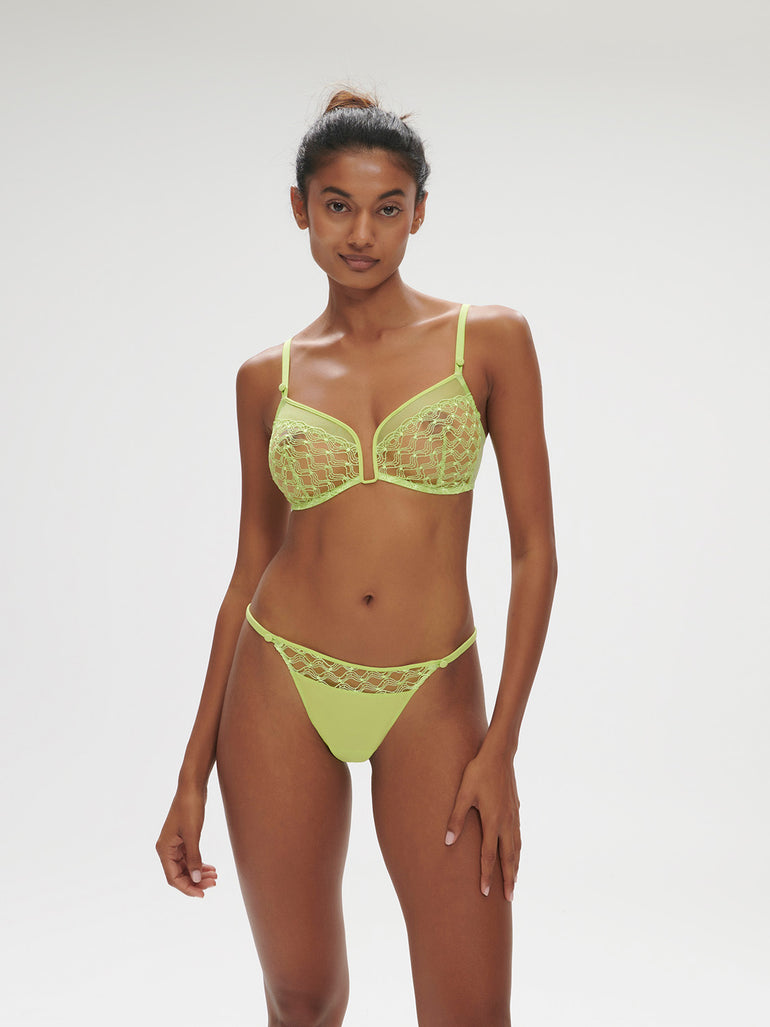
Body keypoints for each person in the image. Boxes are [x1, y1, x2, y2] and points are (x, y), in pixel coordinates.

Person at [156, 86, 557, 1027]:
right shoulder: (267, 377)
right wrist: (190, 772)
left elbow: (535, 553)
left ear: (420, 212)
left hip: (433, 690)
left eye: (388, 207)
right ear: (300, 208)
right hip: (280, 679)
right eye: (338, 205)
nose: (362, 233)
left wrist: (501, 745)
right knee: (302, 997)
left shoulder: (489, 340)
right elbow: (250, 563)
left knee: (470, 1012)